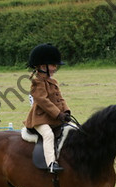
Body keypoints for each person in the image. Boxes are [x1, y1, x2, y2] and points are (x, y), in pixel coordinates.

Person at [24, 43, 71, 173]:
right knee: (48, 135)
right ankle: (51, 163)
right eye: (53, 65)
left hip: (55, 117)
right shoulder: (37, 83)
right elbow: (42, 101)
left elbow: (60, 98)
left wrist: (66, 111)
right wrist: (58, 114)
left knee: (73, 130)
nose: (55, 68)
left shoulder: (53, 81)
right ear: (42, 66)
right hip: (40, 119)